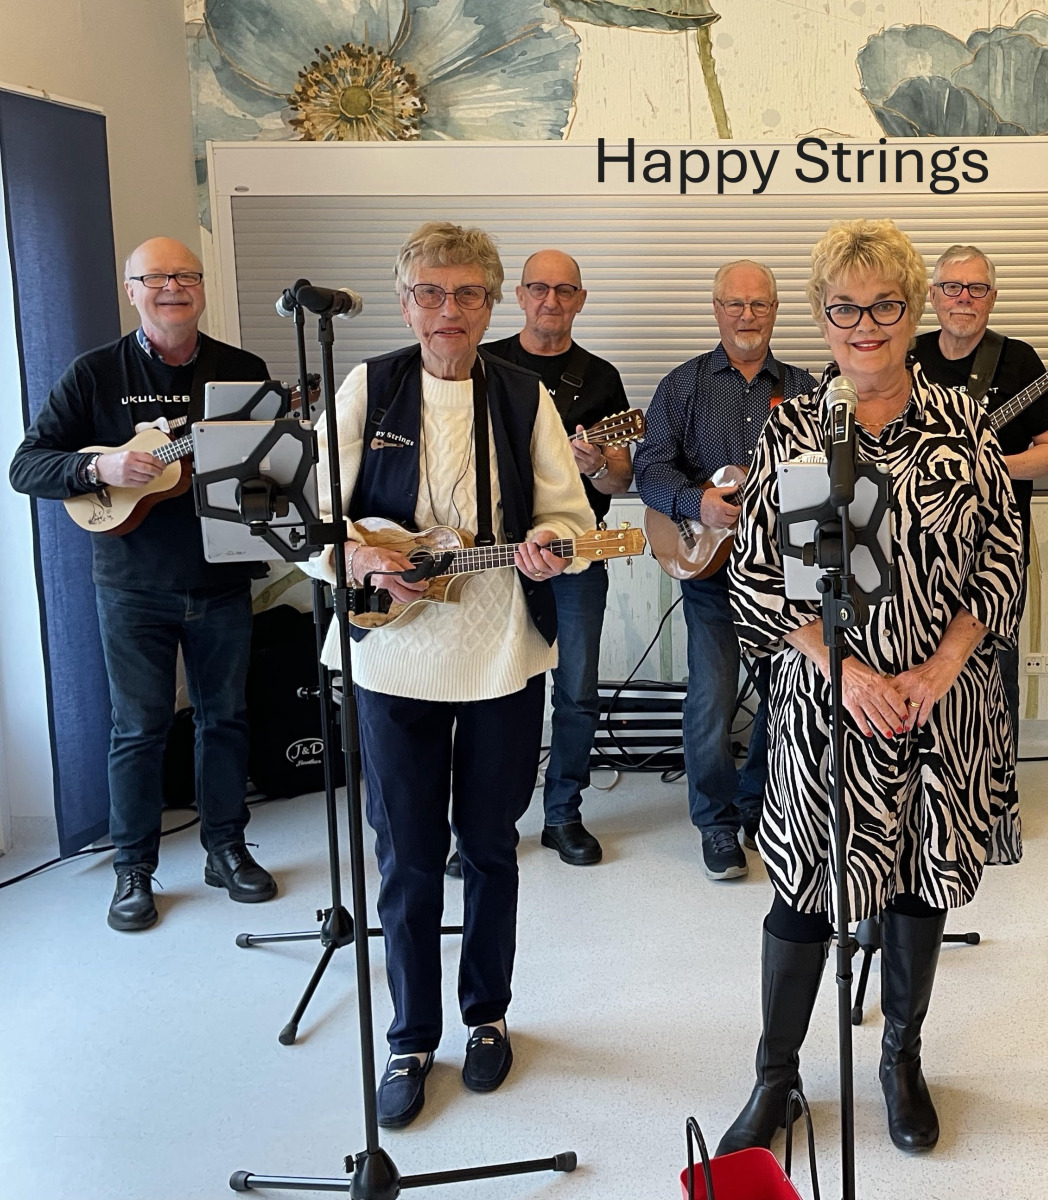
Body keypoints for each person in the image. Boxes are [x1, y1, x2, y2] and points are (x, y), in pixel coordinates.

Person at [719, 219, 1025, 1155]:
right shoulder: (794, 430)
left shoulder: (966, 423)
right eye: (845, 309)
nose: (865, 326)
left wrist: (940, 668)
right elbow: (756, 579)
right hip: (827, 706)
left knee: (917, 879)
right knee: (803, 890)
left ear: (913, 311)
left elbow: (1001, 561)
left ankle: (900, 1059)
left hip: (938, 703)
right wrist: (846, 672)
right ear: (820, 318)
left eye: (885, 306)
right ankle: (776, 1079)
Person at [305, 221, 595, 1127]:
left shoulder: (522, 395)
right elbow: (310, 508)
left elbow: (569, 515)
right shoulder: (368, 386)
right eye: (430, 292)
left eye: (468, 293)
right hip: (392, 651)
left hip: (500, 650)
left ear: (490, 303)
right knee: (406, 855)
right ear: (405, 303)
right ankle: (409, 1035)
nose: (449, 310)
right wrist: (359, 558)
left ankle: (486, 1016)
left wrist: (550, 544)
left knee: (490, 845)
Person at [9, 237, 277, 933]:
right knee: (137, 729)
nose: (172, 288)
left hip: (220, 575)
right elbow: (26, 465)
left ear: (202, 288)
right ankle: (133, 868)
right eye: (155, 278)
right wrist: (98, 470)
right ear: (131, 291)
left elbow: (267, 466)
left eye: (185, 275)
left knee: (225, 720)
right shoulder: (94, 373)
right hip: (130, 585)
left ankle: (226, 849)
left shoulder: (241, 372)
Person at [634, 261, 817, 881]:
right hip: (709, 567)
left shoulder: (805, 388)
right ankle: (715, 822)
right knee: (711, 697)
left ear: (775, 311)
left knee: (787, 695)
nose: (747, 315)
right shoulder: (682, 386)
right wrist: (698, 504)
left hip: (783, 575)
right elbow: (649, 471)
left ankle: (756, 802)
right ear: (716, 309)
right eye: (735, 304)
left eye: (759, 304)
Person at [481, 249, 633, 867]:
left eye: (565, 290)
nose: (552, 300)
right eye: (539, 288)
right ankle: (491, 820)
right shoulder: (483, 364)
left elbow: (619, 480)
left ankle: (563, 813)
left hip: (577, 554)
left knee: (576, 692)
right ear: (519, 295)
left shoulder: (600, 378)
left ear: (581, 300)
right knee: (499, 691)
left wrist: (596, 466)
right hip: (494, 558)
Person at [911, 244, 1048, 790]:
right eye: (952, 288)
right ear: (932, 296)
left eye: (976, 289)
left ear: (992, 298)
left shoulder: (1018, 360)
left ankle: (996, 792)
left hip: (994, 550)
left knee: (994, 672)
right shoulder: (905, 356)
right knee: (919, 664)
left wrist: (988, 466)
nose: (964, 298)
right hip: (916, 553)